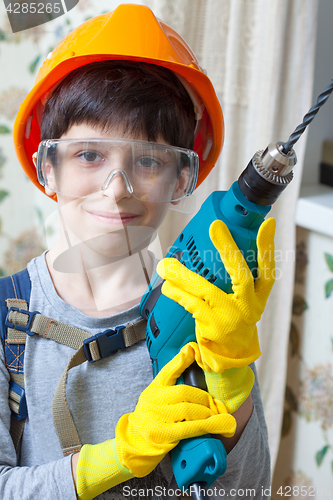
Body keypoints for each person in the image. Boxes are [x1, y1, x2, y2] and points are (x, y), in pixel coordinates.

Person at [0, 4, 275, 499]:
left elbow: (248, 491)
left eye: (149, 160)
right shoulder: (6, 322)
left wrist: (231, 382)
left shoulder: (203, 318)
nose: (117, 188)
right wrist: (115, 459)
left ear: (182, 179)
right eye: (89, 155)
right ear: (48, 167)